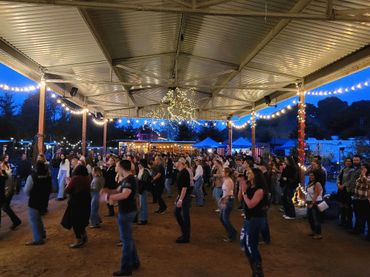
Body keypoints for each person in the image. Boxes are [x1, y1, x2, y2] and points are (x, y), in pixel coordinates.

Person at [102, 160, 140, 276]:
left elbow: (125, 194)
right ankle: (135, 262)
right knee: (128, 238)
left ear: (122, 167)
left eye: (117, 166)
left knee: (126, 241)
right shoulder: (125, 179)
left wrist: (111, 197)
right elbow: (119, 190)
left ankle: (126, 268)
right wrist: (107, 191)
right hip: (127, 211)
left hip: (127, 212)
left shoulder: (130, 180)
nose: (116, 168)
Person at [239, 168, 267, 277]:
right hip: (249, 218)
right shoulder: (250, 186)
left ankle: (258, 270)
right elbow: (240, 199)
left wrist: (244, 192)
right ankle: (255, 268)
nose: (247, 173)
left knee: (251, 244)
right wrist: (242, 188)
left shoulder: (259, 190)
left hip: (256, 219)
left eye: (250, 172)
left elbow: (250, 205)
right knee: (246, 245)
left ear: (256, 176)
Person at [61, 165, 91, 248]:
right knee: (82, 220)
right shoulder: (87, 178)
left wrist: (68, 183)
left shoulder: (76, 178)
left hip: (76, 203)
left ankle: (78, 240)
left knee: (75, 221)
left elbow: (67, 190)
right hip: (85, 202)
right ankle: (84, 235)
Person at [24, 160, 52, 245]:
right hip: (44, 201)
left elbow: (26, 190)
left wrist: (31, 194)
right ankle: (42, 233)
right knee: (38, 218)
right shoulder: (48, 176)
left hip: (34, 201)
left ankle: (38, 239)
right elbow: (51, 189)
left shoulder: (32, 177)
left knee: (34, 220)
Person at [0, 155, 22, 230]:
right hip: (7, 192)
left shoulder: (7, 169)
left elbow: (8, 182)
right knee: (6, 208)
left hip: (6, 192)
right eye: (5, 158)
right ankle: (16, 221)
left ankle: (16, 221)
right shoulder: (6, 170)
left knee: (5, 207)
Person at [174, 157, 191, 243]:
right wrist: (178, 197)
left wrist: (180, 199)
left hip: (184, 197)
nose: (175, 163)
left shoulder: (184, 172)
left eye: (176, 162)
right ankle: (184, 232)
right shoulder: (181, 172)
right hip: (182, 196)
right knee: (177, 213)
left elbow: (184, 187)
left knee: (184, 216)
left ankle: (186, 236)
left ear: (180, 163)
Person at [352, 162, 370, 240]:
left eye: (364, 168)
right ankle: (358, 230)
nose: (362, 169)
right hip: (358, 199)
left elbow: (367, 182)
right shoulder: (361, 176)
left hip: (366, 200)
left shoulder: (368, 176)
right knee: (359, 216)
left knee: (367, 218)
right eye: (361, 168)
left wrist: (363, 174)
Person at [219, 167, 237, 242]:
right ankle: (231, 232)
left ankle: (232, 234)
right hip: (226, 200)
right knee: (222, 218)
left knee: (225, 218)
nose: (222, 172)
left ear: (227, 173)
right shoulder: (226, 180)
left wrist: (224, 201)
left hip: (228, 200)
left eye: (223, 171)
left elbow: (229, 193)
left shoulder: (228, 181)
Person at [305, 171, 324, 240]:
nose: (311, 176)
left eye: (312, 175)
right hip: (310, 202)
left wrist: (312, 203)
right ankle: (313, 231)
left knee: (316, 219)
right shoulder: (310, 183)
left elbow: (316, 194)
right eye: (310, 175)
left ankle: (319, 234)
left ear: (316, 176)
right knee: (310, 218)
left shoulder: (317, 183)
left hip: (315, 203)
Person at [336, 158, 353, 228]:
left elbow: (351, 180)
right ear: (345, 162)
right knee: (341, 205)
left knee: (347, 206)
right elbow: (338, 177)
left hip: (347, 190)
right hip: (341, 190)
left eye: (349, 161)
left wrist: (343, 185)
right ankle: (342, 221)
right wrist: (338, 184)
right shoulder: (342, 169)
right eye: (347, 161)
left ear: (351, 163)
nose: (348, 162)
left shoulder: (352, 170)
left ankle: (349, 223)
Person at [349, 155, 362, 234]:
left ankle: (358, 230)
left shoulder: (361, 170)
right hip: (353, 193)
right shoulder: (355, 169)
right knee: (356, 212)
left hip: (359, 194)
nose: (355, 162)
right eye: (354, 160)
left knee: (359, 213)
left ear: (360, 160)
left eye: (357, 160)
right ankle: (357, 229)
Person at [137, 159, 152, 225]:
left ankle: (143, 219)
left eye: (139, 164)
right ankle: (143, 218)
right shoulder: (143, 170)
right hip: (142, 189)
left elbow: (144, 182)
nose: (138, 165)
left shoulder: (145, 171)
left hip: (143, 189)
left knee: (143, 205)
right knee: (142, 204)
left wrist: (140, 190)